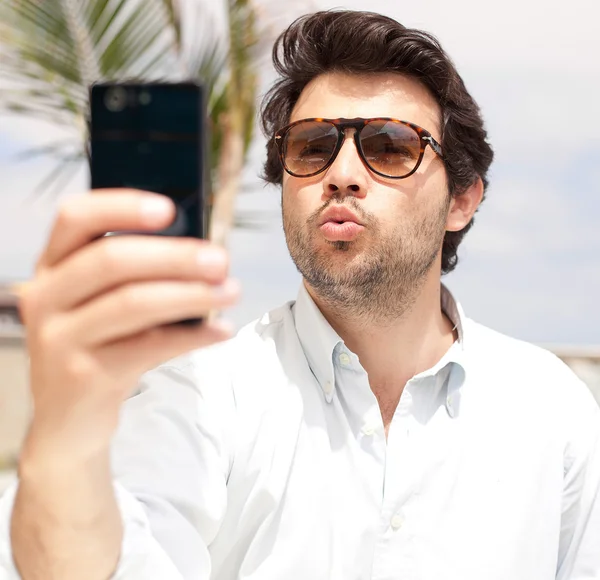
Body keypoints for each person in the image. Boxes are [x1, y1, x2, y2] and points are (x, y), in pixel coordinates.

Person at [1, 9, 598, 580]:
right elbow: (87, 563)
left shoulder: (553, 412)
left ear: (463, 200)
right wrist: (62, 432)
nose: (341, 172)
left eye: (390, 146)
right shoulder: (205, 397)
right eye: (312, 146)